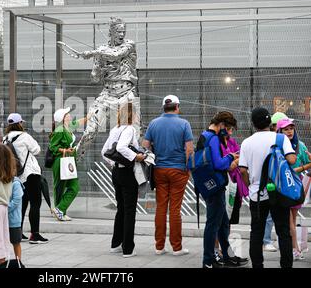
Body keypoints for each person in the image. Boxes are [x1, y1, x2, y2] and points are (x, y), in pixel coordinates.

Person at [58, 17, 140, 159]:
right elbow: (94, 78)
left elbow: (116, 55)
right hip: (107, 93)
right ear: (112, 32)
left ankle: (134, 167)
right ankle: (74, 159)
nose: (122, 35)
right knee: (90, 130)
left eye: (123, 31)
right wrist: (100, 68)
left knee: (132, 134)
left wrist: (92, 53)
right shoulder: (102, 51)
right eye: (118, 32)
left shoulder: (129, 45)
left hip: (126, 93)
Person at [239, 107, 297, 268]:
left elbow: (242, 169)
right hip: (279, 193)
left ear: (253, 124)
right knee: (283, 232)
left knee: (256, 232)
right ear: (269, 122)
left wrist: (250, 185)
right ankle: (286, 265)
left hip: (257, 194)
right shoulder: (280, 139)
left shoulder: (247, 142)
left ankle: (258, 265)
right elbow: (292, 160)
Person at [142, 95, 193, 256]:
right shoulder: (184, 124)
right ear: (177, 106)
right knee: (175, 209)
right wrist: (188, 169)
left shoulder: (154, 123)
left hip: (159, 170)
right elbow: (189, 149)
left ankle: (159, 246)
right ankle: (176, 247)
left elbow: (145, 146)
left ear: (164, 107)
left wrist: (154, 158)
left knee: (161, 207)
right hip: (178, 170)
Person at [197, 111, 246, 268]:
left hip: (209, 185)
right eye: (228, 127)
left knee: (223, 223)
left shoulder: (205, 135)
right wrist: (231, 156)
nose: (229, 131)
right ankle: (208, 260)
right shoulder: (212, 138)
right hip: (215, 187)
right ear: (222, 125)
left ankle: (227, 256)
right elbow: (219, 164)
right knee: (213, 224)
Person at [102, 103, 144, 258]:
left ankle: (116, 244)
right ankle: (127, 248)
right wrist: (136, 157)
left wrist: (113, 163)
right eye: (137, 113)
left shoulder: (115, 129)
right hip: (127, 173)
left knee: (121, 208)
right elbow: (120, 147)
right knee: (129, 210)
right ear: (132, 115)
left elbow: (104, 151)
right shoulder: (130, 129)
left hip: (116, 173)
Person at [3, 113, 48, 244]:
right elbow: (37, 150)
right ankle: (35, 235)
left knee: (21, 205)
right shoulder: (24, 136)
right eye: (21, 122)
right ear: (19, 123)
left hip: (17, 176)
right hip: (30, 174)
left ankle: (18, 232)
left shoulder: (6, 139)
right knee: (35, 203)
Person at [276, 118, 311, 261]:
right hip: (282, 188)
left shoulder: (300, 146)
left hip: (296, 188)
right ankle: (294, 248)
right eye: (286, 129)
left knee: (292, 218)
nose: (289, 131)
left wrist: (300, 169)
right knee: (288, 219)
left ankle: (292, 248)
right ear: (279, 131)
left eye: (291, 128)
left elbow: (308, 163)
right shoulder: (277, 146)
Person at [214, 125, 249, 264]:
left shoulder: (233, 142)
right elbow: (226, 165)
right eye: (228, 128)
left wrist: (234, 160)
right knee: (219, 221)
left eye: (231, 128)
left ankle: (226, 251)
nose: (230, 131)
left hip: (235, 185)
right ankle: (216, 251)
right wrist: (234, 160)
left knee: (229, 221)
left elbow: (240, 158)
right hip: (223, 185)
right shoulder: (216, 143)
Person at [49, 107, 86, 222]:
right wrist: (65, 150)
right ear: (63, 118)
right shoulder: (60, 129)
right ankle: (61, 212)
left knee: (74, 187)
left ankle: (60, 209)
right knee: (59, 188)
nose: (70, 115)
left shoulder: (67, 127)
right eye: (67, 114)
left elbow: (77, 122)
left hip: (68, 161)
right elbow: (52, 147)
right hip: (60, 160)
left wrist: (89, 117)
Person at [263, 112, 289, 252]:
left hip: (283, 183)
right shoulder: (273, 140)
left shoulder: (287, 141)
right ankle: (266, 240)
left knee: (284, 215)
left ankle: (277, 240)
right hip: (272, 182)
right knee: (269, 215)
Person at [8, 175, 25, 261]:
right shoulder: (2, 181)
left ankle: (18, 262)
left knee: (16, 242)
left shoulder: (16, 184)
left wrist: (4, 210)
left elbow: (16, 201)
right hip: (3, 219)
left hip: (14, 220)